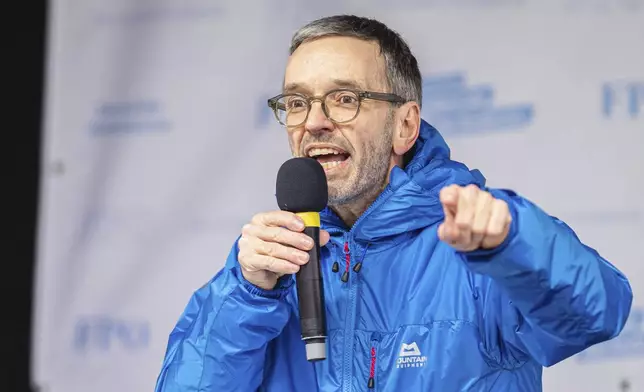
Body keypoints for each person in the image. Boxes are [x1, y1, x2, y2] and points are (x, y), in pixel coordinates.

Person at [154, 15, 633, 392]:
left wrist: (514, 243)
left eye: (344, 99)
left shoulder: (479, 245)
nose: (314, 122)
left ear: (405, 126)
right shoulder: (265, 267)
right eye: (296, 102)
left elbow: (597, 314)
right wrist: (246, 293)